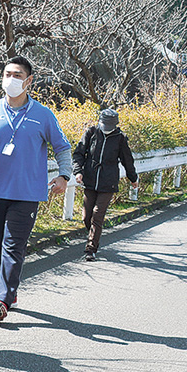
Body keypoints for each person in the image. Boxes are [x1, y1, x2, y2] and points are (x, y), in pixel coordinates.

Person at [0, 55, 73, 321]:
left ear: (29, 81)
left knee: (13, 246)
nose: (12, 80)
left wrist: (64, 176)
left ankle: (0, 299)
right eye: (8, 74)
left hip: (28, 194)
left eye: (18, 75)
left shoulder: (42, 115)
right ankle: (10, 291)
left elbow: (62, 147)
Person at [71, 108, 138, 261]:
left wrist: (132, 178)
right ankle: (93, 235)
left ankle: (91, 249)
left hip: (108, 182)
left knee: (97, 215)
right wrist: (78, 171)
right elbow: (79, 153)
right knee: (86, 217)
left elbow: (127, 160)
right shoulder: (92, 132)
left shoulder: (120, 138)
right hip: (90, 179)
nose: (106, 130)